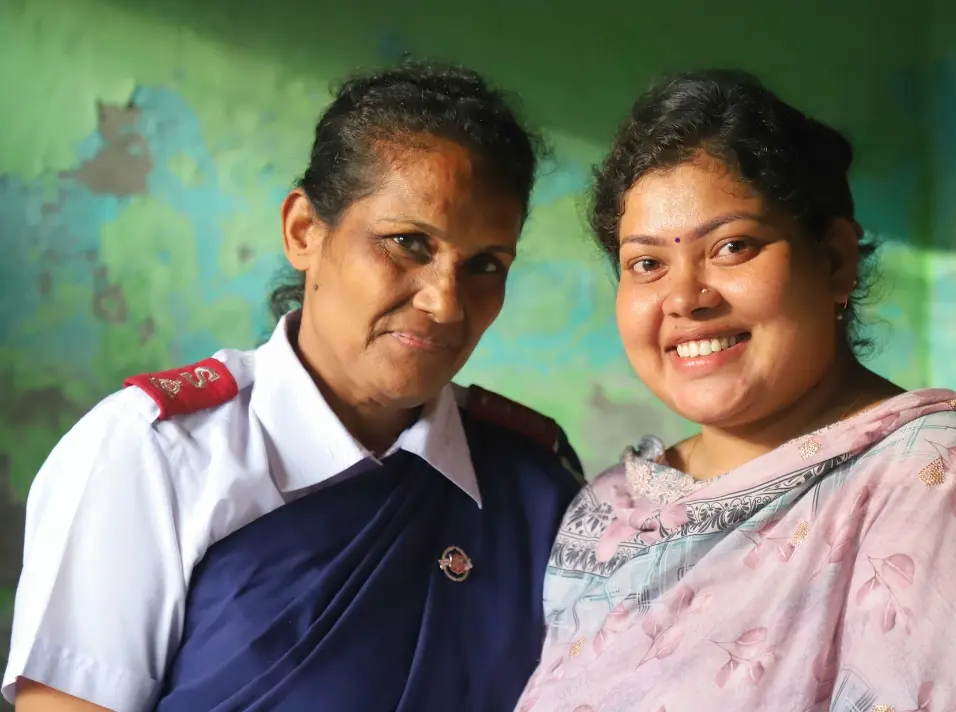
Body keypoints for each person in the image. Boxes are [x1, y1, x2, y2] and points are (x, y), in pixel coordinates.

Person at [4, 61, 584, 712]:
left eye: (485, 265)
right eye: (407, 243)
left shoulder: (534, 490)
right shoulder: (155, 455)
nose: (446, 302)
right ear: (304, 231)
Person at [515, 70, 956, 712]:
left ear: (835, 259)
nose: (684, 298)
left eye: (732, 247)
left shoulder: (939, 480)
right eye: (646, 264)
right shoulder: (610, 510)